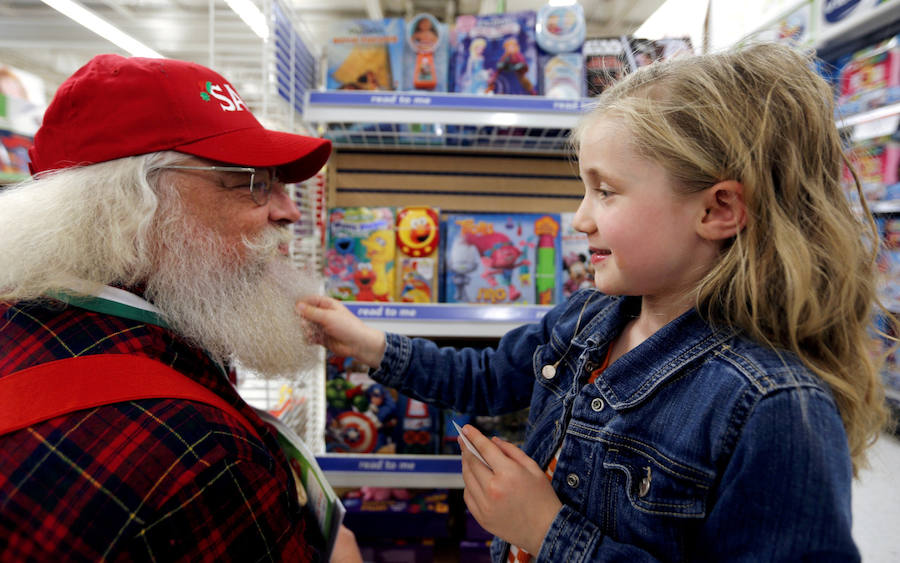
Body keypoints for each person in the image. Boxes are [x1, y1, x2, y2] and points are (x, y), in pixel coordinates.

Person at [299, 42, 893, 562]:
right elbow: (485, 378)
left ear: (716, 210)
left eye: (605, 191)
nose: (580, 219)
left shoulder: (774, 406)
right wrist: (368, 344)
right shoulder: (589, 319)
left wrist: (545, 529)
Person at [0, 54, 362, 562]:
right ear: (128, 206)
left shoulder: (21, 323)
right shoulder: (202, 456)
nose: (289, 209)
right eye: (253, 182)